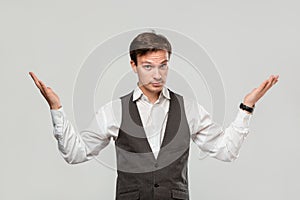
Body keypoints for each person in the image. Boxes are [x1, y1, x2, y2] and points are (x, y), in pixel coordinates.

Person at [29, 31, 279, 200]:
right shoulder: (114, 110)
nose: (157, 75)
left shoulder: (188, 109)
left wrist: (247, 106)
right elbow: (76, 153)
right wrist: (57, 109)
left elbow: (226, 151)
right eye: (148, 66)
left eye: (163, 65)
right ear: (134, 66)